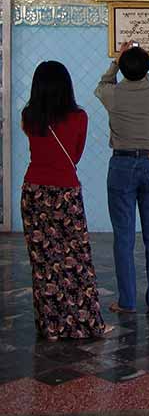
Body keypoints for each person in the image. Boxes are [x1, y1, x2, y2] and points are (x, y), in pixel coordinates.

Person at [21, 61, 109, 340]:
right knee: (76, 260)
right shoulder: (79, 117)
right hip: (65, 192)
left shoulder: (28, 116)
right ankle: (85, 324)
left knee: (43, 261)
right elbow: (75, 153)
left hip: (33, 191)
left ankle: (51, 327)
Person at [95, 42, 149, 313]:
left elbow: (103, 82)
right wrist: (138, 59)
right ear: (147, 69)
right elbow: (145, 78)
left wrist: (118, 59)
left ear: (122, 70)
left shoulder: (111, 94)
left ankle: (127, 301)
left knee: (123, 236)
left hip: (121, 166)